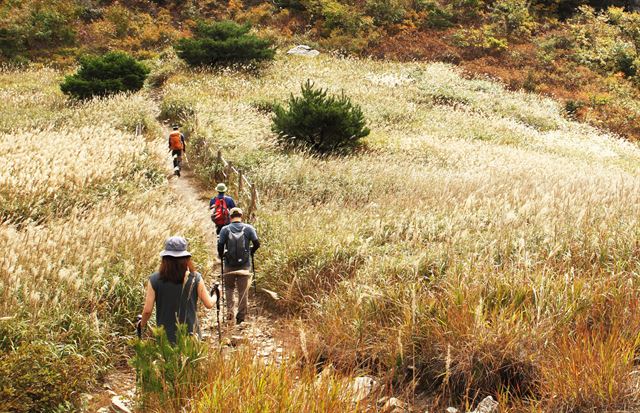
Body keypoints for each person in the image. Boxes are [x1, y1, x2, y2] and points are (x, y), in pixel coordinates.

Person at [138, 236, 216, 343]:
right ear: (186, 258)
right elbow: (209, 304)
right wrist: (215, 295)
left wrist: (141, 324)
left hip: (165, 338)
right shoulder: (195, 277)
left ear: (165, 258)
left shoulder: (155, 279)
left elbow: (147, 311)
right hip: (191, 336)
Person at [217, 208, 260, 325]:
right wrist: (251, 251)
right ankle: (241, 317)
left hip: (229, 265)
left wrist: (222, 255)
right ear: (241, 215)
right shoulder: (249, 228)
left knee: (229, 288)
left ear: (230, 217)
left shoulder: (225, 229)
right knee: (243, 291)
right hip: (244, 265)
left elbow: (220, 246)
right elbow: (257, 244)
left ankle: (230, 313)